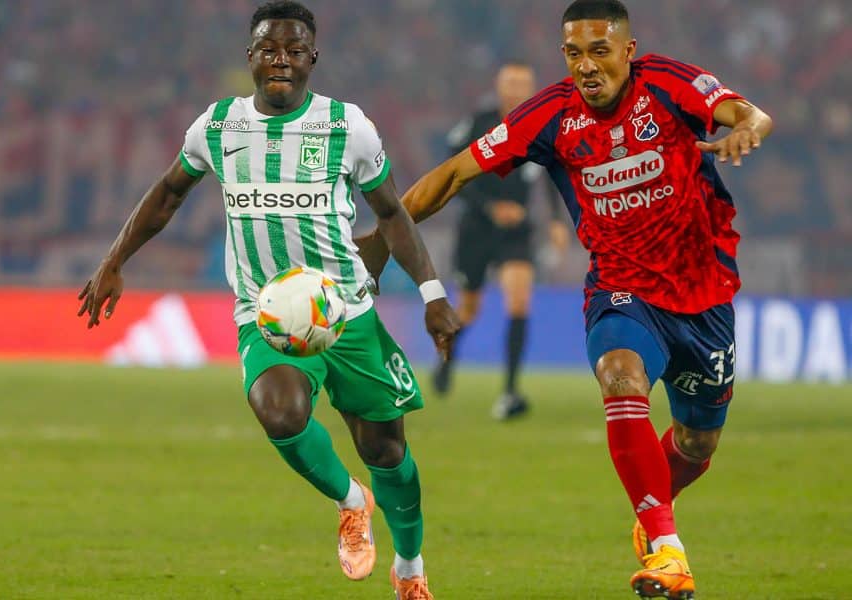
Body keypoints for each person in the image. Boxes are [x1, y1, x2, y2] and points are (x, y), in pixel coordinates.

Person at [357, 0, 773, 597]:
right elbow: (453, 174)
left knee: (696, 441)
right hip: (621, 290)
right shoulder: (550, 115)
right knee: (620, 374)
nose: (587, 66)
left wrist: (748, 128)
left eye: (600, 51)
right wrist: (376, 244)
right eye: (574, 53)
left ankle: (652, 509)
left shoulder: (670, 84)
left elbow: (746, 113)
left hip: (703, 294)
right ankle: (669, 550)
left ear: (628, 52)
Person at [77, 2, 459, 598]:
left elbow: (391, 213)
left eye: (294, 49)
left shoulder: (345, 126)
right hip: (267, 312)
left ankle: (409, 566)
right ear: (250, 57)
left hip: (347, 311)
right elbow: (167, 193)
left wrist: (432, 291)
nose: (281, 59)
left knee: (386, 449)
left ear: (312, 57)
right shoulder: (218, 125)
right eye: (268, 49)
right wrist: (114, 259)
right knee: (278, 409)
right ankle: (349, 500)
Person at [435, 61, 570, 420]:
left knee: (519, 300)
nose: (516, 89)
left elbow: (555, 172)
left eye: (523, 83)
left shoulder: (543, 126)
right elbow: (451, 172)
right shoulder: (478, 123)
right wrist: (490, 207)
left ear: (532, 87)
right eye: (510, 82)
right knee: (468, 309)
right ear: (498, 85)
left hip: (517, 231)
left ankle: (511, 390)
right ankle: (448, 359)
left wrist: (557, 220)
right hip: (477, 228)